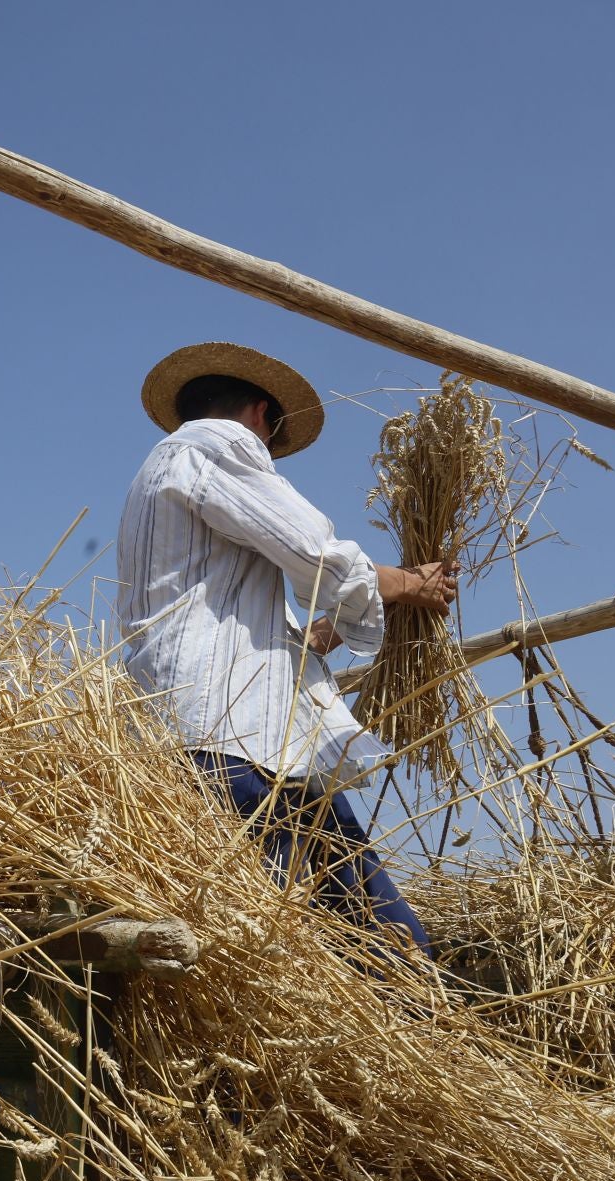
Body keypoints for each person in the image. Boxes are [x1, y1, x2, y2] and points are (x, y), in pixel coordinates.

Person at [115, 342, 457, 954]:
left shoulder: (156, 475)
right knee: (330, 940)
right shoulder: (217, 444)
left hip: (192, 738)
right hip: (233, 743)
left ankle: (412, 995)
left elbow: (238, 619)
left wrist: (326, 630)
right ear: (260, 415)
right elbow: (315, 553)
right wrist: (410, 583)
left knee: (335, 932)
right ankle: (420, 1000)